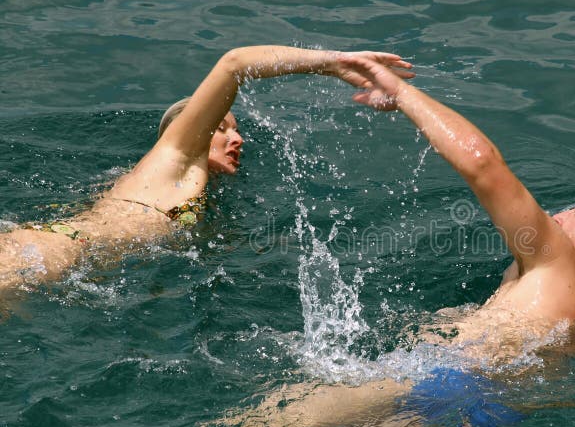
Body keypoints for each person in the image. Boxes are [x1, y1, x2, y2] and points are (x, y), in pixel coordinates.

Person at [149, 56, 575, 427]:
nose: (559, 213)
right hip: (492, 410)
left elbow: (483, 164)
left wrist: (401, 91)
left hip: (443, 374)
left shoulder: (556, 261)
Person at [0, 47, 414, 296]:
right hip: (43, 256)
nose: (238, 140)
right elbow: (235, 63)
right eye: (220, 128)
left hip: (62, 265)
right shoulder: (173, 161)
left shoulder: (186, 193)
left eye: (236, 130)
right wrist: (334, 64)